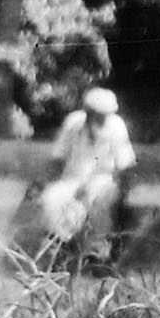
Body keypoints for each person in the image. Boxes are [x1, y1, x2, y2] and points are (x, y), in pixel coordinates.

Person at [37, 87, 137, 270]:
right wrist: (45, 183)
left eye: (104, 115)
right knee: (52, 198)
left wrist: (124, 194)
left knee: (96, 200)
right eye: (96, 114)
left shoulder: (116, 126)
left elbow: (125, 166)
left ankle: (96, 252)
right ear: (88, 112)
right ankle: (58, 247)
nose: (100, 119)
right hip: (72, 179)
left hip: (105, 180)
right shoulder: (73, 123)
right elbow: (58, 158)